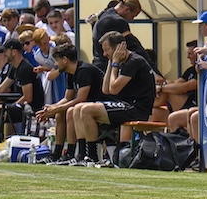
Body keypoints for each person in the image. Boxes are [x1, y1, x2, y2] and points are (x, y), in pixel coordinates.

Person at [66, 31, 157, 166]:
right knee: (77, 109)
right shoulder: (119, 61)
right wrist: (110, 62)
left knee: (86, 110)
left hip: (136, 108)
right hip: (125, 105)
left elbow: (114, 89)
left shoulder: (134, 62)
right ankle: (81, 155)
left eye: (106, 50)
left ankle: (92, 157)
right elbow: (105, 89)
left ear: (119, 47)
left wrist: (114, 63)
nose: (104, 54)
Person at [37, 42, 104, 159]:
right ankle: (57, 154)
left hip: (101, 104)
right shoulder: (71, 73)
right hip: (84, 107)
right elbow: (67, 98)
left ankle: (77, 153)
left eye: (57, 61)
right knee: (60, 113)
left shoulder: (84, 70)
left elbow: (80, 99)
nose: (55, 64)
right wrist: (51, 109)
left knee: (70, 111)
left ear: (65, 60)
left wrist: (55, 109)